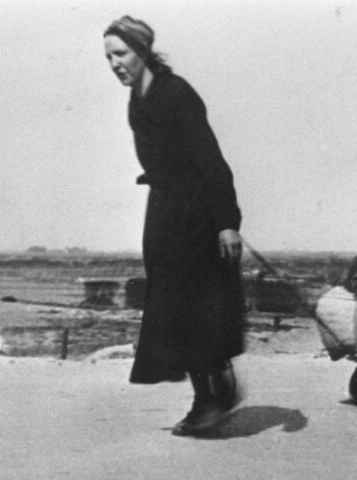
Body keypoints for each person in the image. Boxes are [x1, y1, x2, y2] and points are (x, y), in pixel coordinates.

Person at [103, 16, 245, 435]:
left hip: (197, 215)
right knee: (172, 307)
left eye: (121, 53)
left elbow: (210, 160)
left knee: (191, 307)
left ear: (143, 50)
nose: (114, 63)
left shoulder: (175, 92)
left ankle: (211, 397)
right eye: (108, 57)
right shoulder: (137, 101)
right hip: (165, 213)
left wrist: (227, 223)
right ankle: (212, 390)